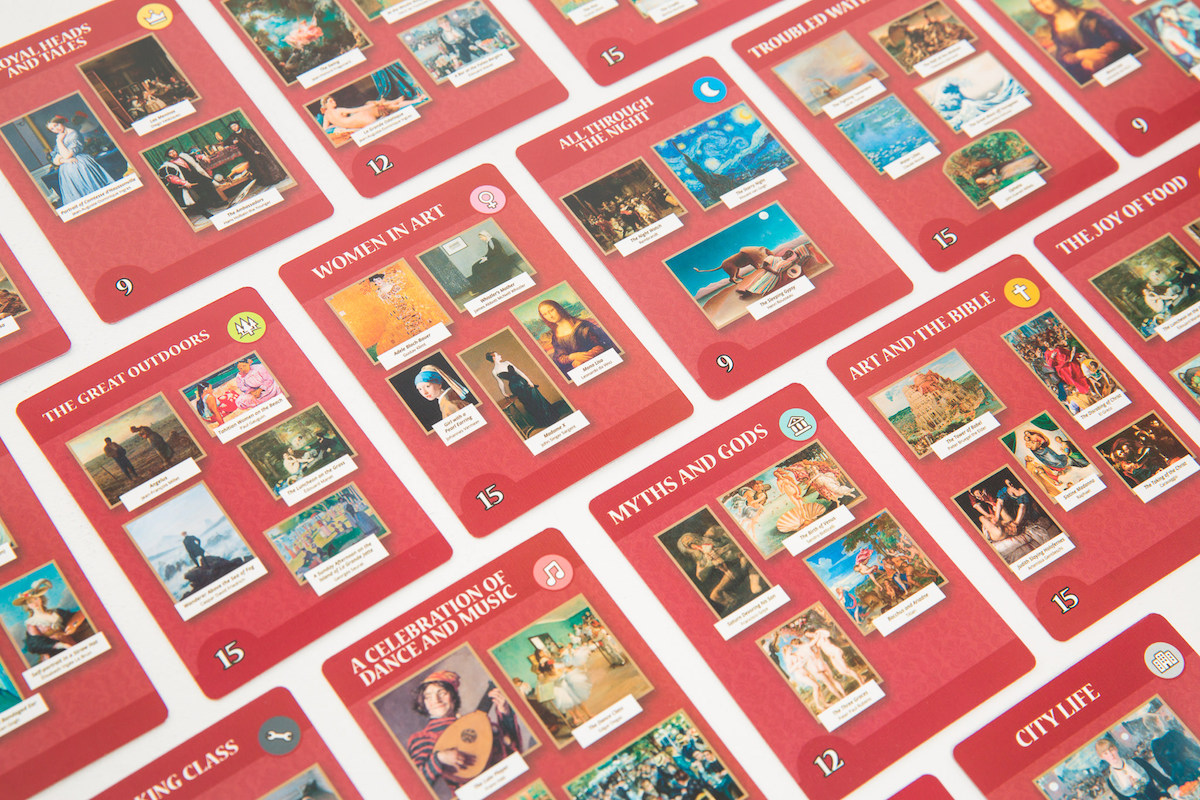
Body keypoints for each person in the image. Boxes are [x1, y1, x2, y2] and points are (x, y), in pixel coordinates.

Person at [405, 670, 523, 791]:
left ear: (453, 697)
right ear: (423, 703)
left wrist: (505, 714)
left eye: (442, 693)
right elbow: (417, 785)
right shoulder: (422, 738)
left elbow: (516, 752)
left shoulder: (477, 725)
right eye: (428, 696)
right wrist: (439, 758)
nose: (436, 700)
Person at [1025, 0, 1141, 84]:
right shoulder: (1054, 30)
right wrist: (1080, 55)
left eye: (1044, 0)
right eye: (1037, 4)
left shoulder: (1087, 16)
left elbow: (1115, 38)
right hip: (1086, 71)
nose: (1044, 6)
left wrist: (1099, 55)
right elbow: (1064, 55)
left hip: (1115, 60)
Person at [12, 577, 91, 663]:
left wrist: (73, 626)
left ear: (40, 599)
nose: (35, 603)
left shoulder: (56, 612)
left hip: (69, 641)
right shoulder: (32, 623)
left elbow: (72, 619)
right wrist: (62, 645)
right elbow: (37, 644)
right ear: (27, 606)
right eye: (30, 602)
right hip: (53, 651)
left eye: (36, 599)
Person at [44, 114, 114, 204]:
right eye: (52, 129)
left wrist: (59, 142)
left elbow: (67, 155)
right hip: (67, 171)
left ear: (61, 122)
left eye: (56, 125)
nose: (56, 129)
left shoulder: (73, 134)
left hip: (80, 165)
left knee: (91, 190)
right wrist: (65, 160)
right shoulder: (60, 136)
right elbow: (55, 160)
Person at [537, 300, 616, 376]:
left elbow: (603, 343)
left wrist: (582, 359)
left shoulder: (583, 325)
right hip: (577, 370)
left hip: (599, 363)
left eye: (551, 310)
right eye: (545, 314)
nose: (550, 316)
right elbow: (559, 357)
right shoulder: (555, 337)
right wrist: (572, 356)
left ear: (558, 308)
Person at [487, 351, 558, 428]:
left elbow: (519, 372)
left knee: (537, 399)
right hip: (515, 387)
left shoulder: (506, 362)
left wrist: (529, 381)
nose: (500, 355)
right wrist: (504, 393)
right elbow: (500, 382)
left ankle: (550, 418)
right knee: (528, 403)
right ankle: (543, 422)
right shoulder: (494, 371)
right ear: (493, 358)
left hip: (523, 381)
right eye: (497, 355)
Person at [1094, 736, 1179, 799]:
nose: (1111, 755)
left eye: (1111, 750)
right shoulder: (1111, 781)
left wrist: (1175, 792)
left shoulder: (1138, 762)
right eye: (1105, 753)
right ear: (1102, 757)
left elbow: (1161, 779)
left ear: (1116, 749)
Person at [158, 147, 224, 218]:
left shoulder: (184, 156)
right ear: (168, 156)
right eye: (170, 153)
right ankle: (204, 212)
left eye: (173, 151)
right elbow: (172, 178)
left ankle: (217, 202)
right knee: (196, 196)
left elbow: (195, 156)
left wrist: (202, 157)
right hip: (188, 181)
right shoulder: (169, 165)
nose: (173, 154)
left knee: (209, 185)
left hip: (197, 176)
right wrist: (184, 183)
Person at [227, 120, 287, 186]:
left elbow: (258, 140)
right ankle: (268, 182)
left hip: (259, 150)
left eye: (235, 125)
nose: (234, 127)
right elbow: (226, 143)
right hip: (249, 154)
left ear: (238, 125)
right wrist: (232, 141)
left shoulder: (249, 131)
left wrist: (257, 150)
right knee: (259, 168)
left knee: (268, 163)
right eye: (232, 127)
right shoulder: (233, 136)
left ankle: (277, 178)